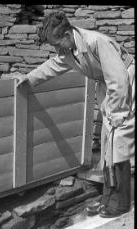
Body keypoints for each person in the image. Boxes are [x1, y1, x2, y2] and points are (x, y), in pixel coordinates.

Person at [12, 11, 134, 218]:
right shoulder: (69, 50)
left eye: (57, 43)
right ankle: (108, 196)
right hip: (109, 84)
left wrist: (118, 112)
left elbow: (120, 79)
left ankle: (121, 203)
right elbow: (52, 66)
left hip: (126, 83)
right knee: (107, 143)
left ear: (68, 34)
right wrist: (28, 78)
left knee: (119, 141)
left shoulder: (96, 42)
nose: (56, 49)